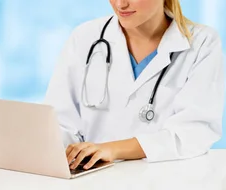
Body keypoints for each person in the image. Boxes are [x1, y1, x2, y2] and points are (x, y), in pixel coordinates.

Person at [44, 0, 224, 170]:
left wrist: (111, 149)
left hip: (163, 179)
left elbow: (195, 132)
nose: (121, 4)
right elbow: (58, 122)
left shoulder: (201, 43)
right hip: (92, 178)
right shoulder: (84, 37)